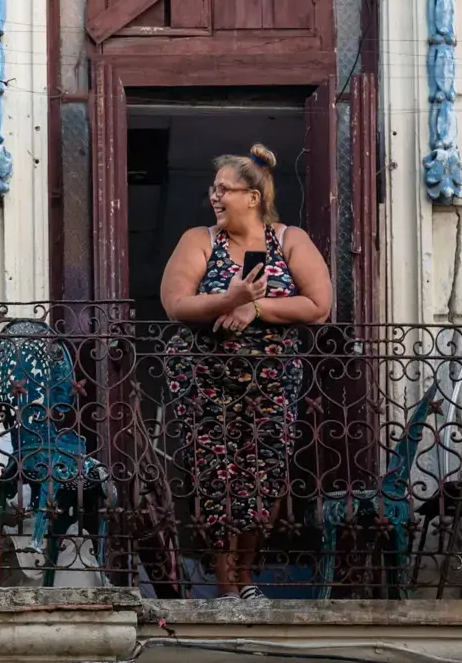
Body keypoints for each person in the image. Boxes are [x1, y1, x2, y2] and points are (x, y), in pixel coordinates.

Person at [158, 144, 332, 599]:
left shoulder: (289, 239)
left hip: (272, 385)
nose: (214, 197)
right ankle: (225, 584)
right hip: (206, 382)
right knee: (217, 477)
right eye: (213, 189)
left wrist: (254, 308)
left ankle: (246, 575)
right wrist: (229, 299)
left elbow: (318, 306)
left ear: (253, 197)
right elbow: (176, 304)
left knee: (264, 477)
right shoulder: (200, 239)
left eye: (225, 189)